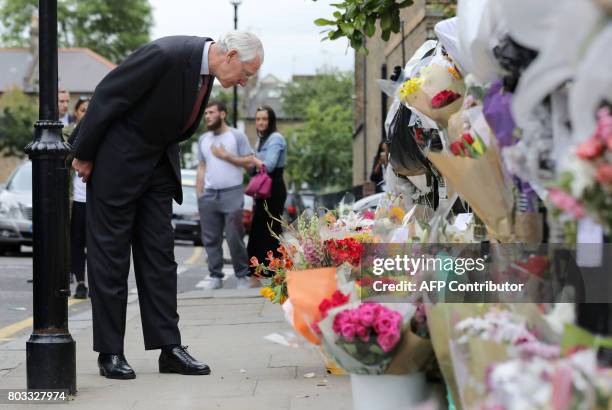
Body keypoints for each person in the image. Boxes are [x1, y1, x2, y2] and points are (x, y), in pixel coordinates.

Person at [70, 32, 263, 380]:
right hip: (119, 165)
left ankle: (169, 348)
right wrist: (83, 152)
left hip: (157, 170)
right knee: (110, 260)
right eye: (246, 73)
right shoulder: (166, 54)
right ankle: (110, 352)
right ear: (231, 55)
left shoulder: (205, 74)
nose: (245, 82)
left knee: (160, 259)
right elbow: (109, 94)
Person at [195, 101, 254, 290]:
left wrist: (226, 156)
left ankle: (242, 276)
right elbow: (202, 166)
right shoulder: (203, 139)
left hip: (232, 192)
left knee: (234, 235)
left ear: (222, 114)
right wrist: (199, 192)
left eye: (211, 112)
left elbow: (250, 162)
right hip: (209, 195)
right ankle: (215, 276)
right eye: (205, 113)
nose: (207, 116)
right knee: (210, 238)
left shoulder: (236, 136)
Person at [244, 106, 287, 274]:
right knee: (258, 227)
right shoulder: (261, 140)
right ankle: (259, 267)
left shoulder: (275, 138)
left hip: (274, 189)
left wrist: (252, 159)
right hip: (263, 190)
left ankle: (271, 268)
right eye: (258, 119)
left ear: (271, 121)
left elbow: (268, 166)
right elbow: (255, 168)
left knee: (270, 228)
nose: (260, 122)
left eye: (264, 119)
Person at [63, 97, 90, 299]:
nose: (86, 113)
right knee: (77, 242)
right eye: (82, 110)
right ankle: (81, 282)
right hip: (77, 200)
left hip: (97, 200)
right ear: (76, 112)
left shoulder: (102, 133)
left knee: (97, 244)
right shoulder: (68, 133)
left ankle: (97, 283)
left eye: (90, 110)